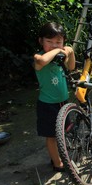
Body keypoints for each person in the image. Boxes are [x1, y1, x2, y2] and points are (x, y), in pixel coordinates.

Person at [33, 22, 75, 172]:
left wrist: (70, 51)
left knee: (63, 132)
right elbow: (43, 60)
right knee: (51, 136)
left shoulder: (60, 59)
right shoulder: (38, 57)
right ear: (40, 41)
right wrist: (60, 49)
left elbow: (71, 67)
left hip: (63, 103)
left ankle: (61, 154)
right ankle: (57, 163)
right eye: (49, 42)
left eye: (58, 41)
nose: (53, 45)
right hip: (47, 105)